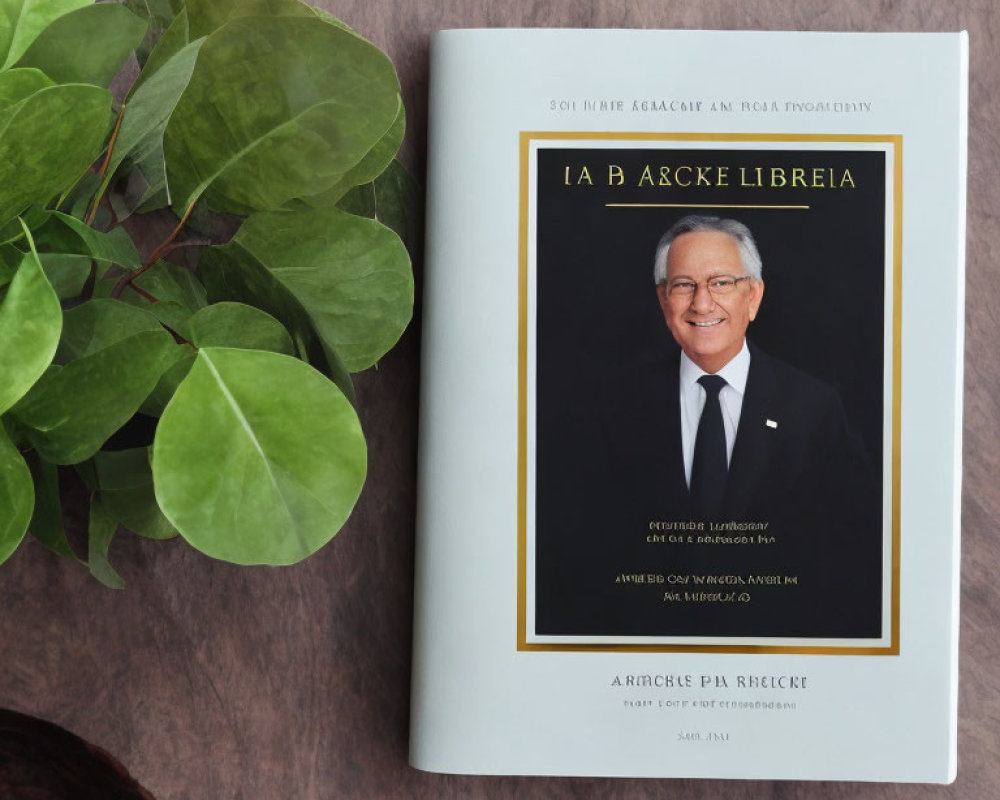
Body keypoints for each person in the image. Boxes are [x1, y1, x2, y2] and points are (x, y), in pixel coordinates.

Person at [536, 215, 882, 638]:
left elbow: (851, 557)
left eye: (720, 283)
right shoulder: (610, 409)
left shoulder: (814, 410)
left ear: (753, 297)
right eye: (683, 285)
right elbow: (577, 556)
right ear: (664, 300)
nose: (701, 303)